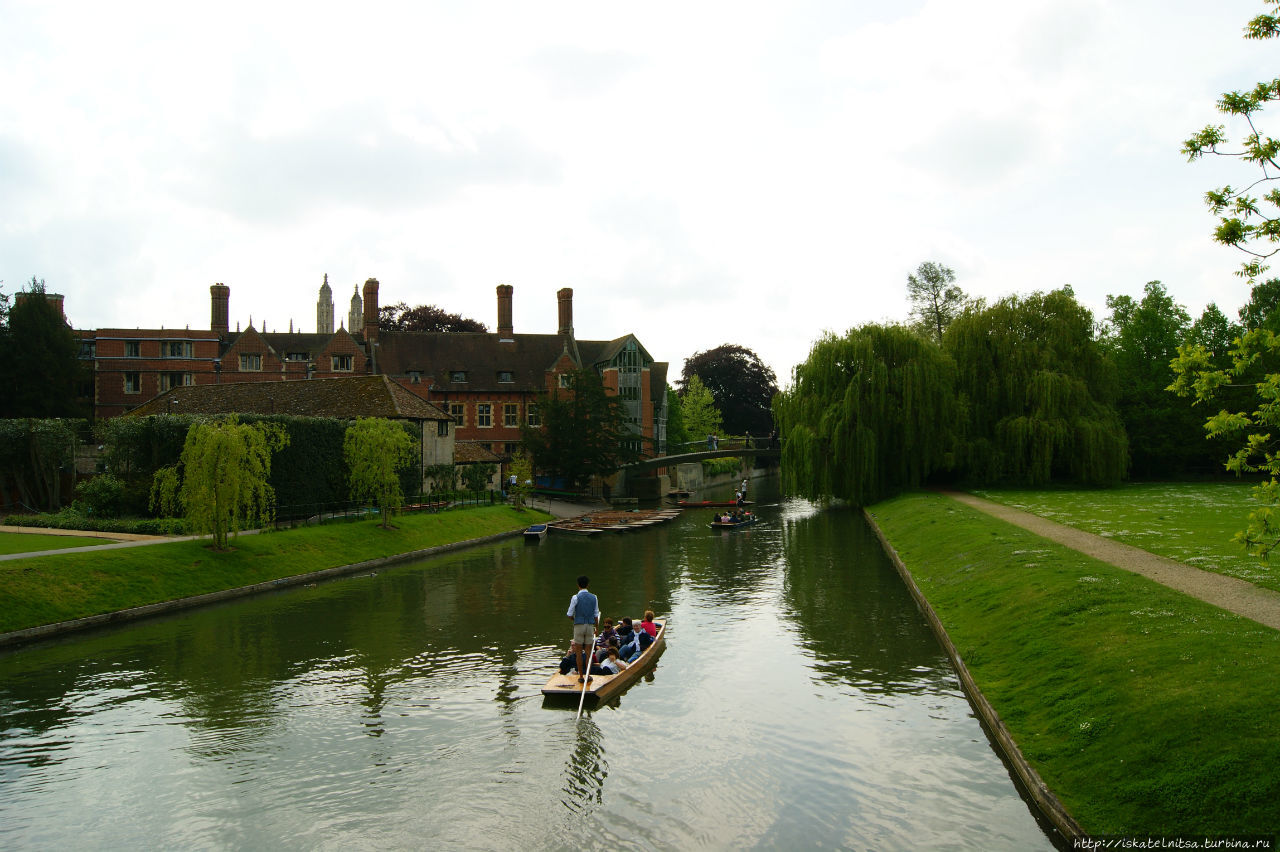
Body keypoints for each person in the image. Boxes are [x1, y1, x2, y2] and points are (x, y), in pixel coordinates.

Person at [566, 575, 599, 683]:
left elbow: (569, 614)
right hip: (589, 626)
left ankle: (581, 676)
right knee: (589, 652)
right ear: (587, 585)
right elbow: (595, 614)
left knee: (579, 652)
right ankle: (588, 675)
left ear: (578, 585)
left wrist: (575, 620)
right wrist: (597, 628)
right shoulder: (594, 597)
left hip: (578, 625)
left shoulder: (575, 597)